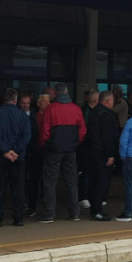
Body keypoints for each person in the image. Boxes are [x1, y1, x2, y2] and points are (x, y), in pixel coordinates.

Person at [39, 82, 86, 223]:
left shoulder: (50, 109)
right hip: (70, 150)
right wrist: (76, 144)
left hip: (53, 150)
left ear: (56, 93)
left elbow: (45, 131)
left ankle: (49, 214)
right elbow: (83, 131)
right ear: (67, 92)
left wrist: (44, 145)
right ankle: (75, 213)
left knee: (49, 182)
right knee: (71, 181)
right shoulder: (76, 109)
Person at [0, 88, 31, 227]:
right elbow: (26, 136)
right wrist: (14, 151)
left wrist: (5, 151)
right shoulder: (23, 116)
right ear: (15, 100)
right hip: (18, 157)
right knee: (18, 188)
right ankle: (18, 218)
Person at [85, 91, 118, 221]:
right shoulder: (106, 115)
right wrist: (110, 154)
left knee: (93, 181)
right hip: (101, 152)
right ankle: (97, 210)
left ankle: (94, 208)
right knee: (101, 182)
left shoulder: (93, 112)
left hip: (92, 150)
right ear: (108, 101)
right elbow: (107, 136)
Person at [26, 93, 49, 217]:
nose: (46, 103)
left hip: (48, 152)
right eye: (44, 101)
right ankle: (32, 206)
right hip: (35, 151)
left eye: (48, 101)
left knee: (47, 181)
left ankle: (48, 207)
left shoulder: (52, 116)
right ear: (38, 103)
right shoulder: (32, 116)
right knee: (34, 180)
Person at [78, 90, 99, 210]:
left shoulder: (82, 110)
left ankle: (87, 196)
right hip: (86, 146)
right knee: (86, 172)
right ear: (96, 100)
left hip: (88, 145)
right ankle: (84, 196)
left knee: (90, 172)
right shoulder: (85, 111)